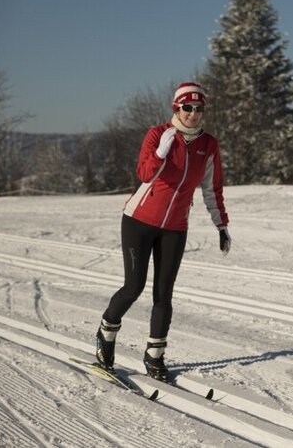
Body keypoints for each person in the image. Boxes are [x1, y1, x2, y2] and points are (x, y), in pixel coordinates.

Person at [95, 82, 231, 381]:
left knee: (163, 294)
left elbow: (212, 188)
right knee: (134, 287)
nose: (194, 114)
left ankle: (154, 355)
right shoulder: (158, 134)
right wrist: (161, 150)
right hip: (139, 222)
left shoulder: (208, 144)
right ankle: (106, 334)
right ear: (176, 108)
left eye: (199, 109)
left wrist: (221, 224)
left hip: (175, 227)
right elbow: (144, 174)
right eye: (188, 108)